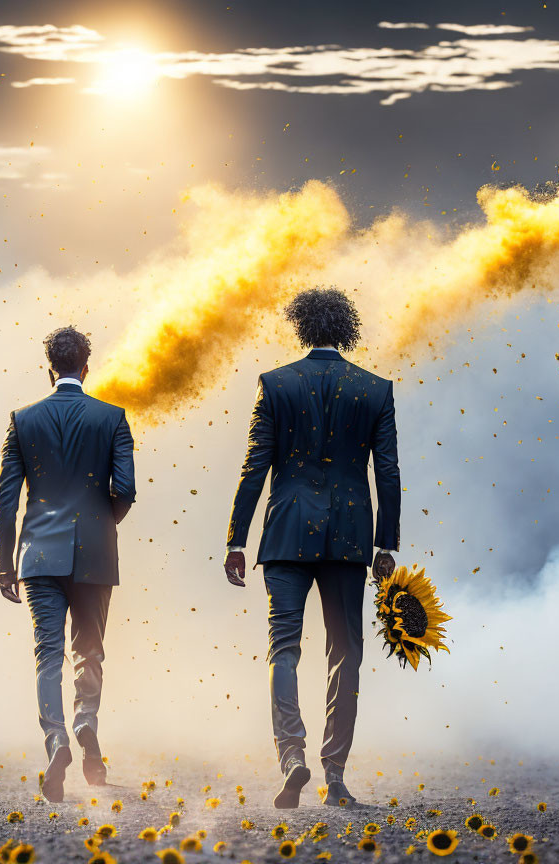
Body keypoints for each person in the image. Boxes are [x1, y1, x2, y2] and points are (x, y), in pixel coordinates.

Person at [223, 287, 400, 809]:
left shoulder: (275, 385)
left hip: (284, 535)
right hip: (349, 538)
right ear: (346, 329)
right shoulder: (374, 389)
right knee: (345, 653)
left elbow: (255, 465)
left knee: (284, 649)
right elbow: (387, 470)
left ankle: (291, 756)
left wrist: (236, 538)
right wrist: (385, 543)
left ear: (301, 328)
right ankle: (336, 774)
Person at [0, 326, 135, 802]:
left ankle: (56, 740)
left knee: (46, 655)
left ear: (49, 368)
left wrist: (3, 563)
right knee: (89, 651)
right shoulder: (112, 417)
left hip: (38, 555)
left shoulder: (22, 420)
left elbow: (6, 501)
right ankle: (85, 723)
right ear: (86, 367)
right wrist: (100, 522)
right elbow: (128, 489)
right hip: (95, 552)